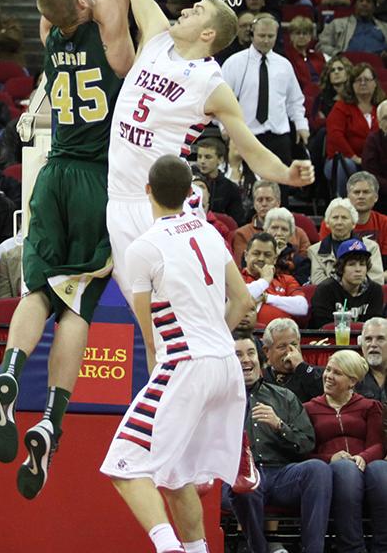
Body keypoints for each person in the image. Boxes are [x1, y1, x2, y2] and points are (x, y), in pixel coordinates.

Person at [0, 0, 134, 499]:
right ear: (85, 3)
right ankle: (51, 419)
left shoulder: (48, 33)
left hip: (50, 178)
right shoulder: (107, 33)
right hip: (98, 183)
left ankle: (12, 369)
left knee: (35, 293)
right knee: (79, 308)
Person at [99, 0, 314, 310]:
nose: (184, 11)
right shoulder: (156, 37)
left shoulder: (210, 83)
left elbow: (250, 147)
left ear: (209, 35)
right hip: (116, 198)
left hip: (162, 206)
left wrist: (286, 174)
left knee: (182, 309)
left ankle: (223, 358)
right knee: (144, 311)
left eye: (196, 10)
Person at [101, 155, 253, 553]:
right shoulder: (208, 232)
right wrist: (215, 335)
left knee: (124, 465)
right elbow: (241, 301)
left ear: (147, 191)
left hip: (185, 364)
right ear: (191, 193)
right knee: (175, 473)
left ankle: (167, 547)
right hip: (226, 364)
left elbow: (150, 336)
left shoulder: (142, 248)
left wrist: (162, 370)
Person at [229, 336, 332, 553]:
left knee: (317, 469)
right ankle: (260, 549)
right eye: (238, 355)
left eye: (250, 353)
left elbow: (306, 443)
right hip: (237, 475)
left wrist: (279, 426)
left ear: (261, 360)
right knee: (245, 485)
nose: (246, 360)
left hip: (281, 475)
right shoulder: (219, 400)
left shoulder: (284, 397)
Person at [221, 14, 309, 204]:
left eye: (271, 36)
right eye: (262, 35)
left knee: (281, 187)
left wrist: (301, 125)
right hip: (246, 134)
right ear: (252, 34)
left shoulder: (284, 65)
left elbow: (295, 99)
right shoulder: (235, 63)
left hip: (278, 133)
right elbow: (221, 100)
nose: (266, 40)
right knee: (246, 187)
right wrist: (224, 127)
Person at [304, 350, 387, 552]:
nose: (328, 376)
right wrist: (330, 458)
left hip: (366, 467)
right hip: (330, 472)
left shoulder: (369, 406)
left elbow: (379, 445)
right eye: (328, 370)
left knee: (381, 470)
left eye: (337, 373)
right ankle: (352, 548)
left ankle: (382, 546)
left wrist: (363, 457)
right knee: (345, 469)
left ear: (352, 381)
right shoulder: (309, 408)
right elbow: (304, 451)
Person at [324, 62, 385, 195]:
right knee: (346, 165)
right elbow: (335, 136)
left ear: (375, 83)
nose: (363, 83)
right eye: (358, 80)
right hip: (344, 160)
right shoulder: (341, 107)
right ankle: (344, 204)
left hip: (375, 161)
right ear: (351, 85)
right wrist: (354, 157)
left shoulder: (382, 108)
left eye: (367, 79)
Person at [233, 180, 310, 266]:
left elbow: (305, 267)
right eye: (259, 200)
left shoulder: (299, 233)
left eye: (269, 199)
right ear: (254, 204)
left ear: (278, 202)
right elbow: (242, 267)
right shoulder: (242, 234)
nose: (264, 204)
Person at [310, 239, 384, 328]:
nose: (358, 269)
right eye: (351, 264)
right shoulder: (325, 290)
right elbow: (323, 327)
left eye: (362, 264)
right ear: (341, 268)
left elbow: (375, 328)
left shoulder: (375, 290)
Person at [308, 197, 383, 284]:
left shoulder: (371, 247)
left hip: (364, 297)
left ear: (353, 224)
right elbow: (318, 283)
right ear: (327, 223)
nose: (339, 222)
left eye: (344, 218)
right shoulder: (314, 251)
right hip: (330, 297)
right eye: (335, 217)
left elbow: (376, 280)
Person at [241, 232, 308, 327]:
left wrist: (266, 298)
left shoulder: (286, 280)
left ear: (275, 259)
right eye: (256, 253)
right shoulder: (236, 277)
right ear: (246, 255)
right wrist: (265, 280)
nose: (261, 258)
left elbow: (302, 307)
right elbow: (242, 298)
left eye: (267, 255)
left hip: (281, 338)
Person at [262, 318, 324, 403]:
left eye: (294, 345)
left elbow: (323, 395)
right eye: (282, 346)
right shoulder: (261, 378)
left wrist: (301, 366)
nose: (289, 351)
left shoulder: (317, 374)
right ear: (267, 351)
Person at [317, 0, 387, 57]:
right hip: (348, 65)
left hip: (377, 65)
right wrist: (338, 54)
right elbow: (320, 46)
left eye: (369, 1)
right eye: (361, 0)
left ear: (374, 6)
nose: (364, 4)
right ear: (354, 5)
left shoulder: (385, 27)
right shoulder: (337, 24)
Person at [194, 136, 244, 225]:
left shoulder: (230, 188)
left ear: (220, 159)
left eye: (208, 157)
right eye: (199, 156)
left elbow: (236, 222)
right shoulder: (190, 184)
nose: (202, 161)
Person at [263, 207, 311, 285]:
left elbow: (295, 287)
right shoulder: (253, 256)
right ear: (266, 230)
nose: (279, 233)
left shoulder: (301, 263)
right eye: (274, 228)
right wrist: (274, 254)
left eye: (284, 229)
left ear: (290, 235)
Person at [284, 15, 325, 92]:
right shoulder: (286, 58)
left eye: (305, 33)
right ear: (291, 36)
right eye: (298, 33)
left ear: (310, 36)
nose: (301, 36)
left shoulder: (319, 56)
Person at [362, 98, 387, 213]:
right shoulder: (373, 140)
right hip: (382, 195)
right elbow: (370, 174)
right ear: (379, 122)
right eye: (385, 118)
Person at [356, 316, 387, 402]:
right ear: (361, 345)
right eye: (368, 339)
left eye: (380, 339)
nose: (373, 344)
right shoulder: (351, 376)